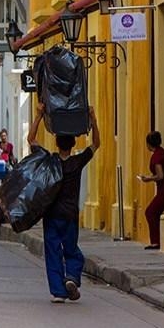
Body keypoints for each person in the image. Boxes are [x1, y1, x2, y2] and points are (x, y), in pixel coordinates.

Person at [28, 102, 101, 303]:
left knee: (53, 251)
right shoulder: (77, 163)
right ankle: (72, 277)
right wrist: (93, 119)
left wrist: (39, 115)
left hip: (51, 214)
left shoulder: (49, 161)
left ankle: (59, 292)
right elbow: (96, 144)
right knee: (71, 249)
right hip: (70, 214)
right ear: (73, 145)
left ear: (56, 143)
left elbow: (31, 139)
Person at [137, 131, 164, 250]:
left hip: (163, 189)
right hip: (162, 188)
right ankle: (158, 240)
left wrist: (148, 178)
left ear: (149, 144)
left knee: (150, 212)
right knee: (154, 212)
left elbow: (160, 175)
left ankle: (156, 241)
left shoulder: (156, 157)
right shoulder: (162, 152)